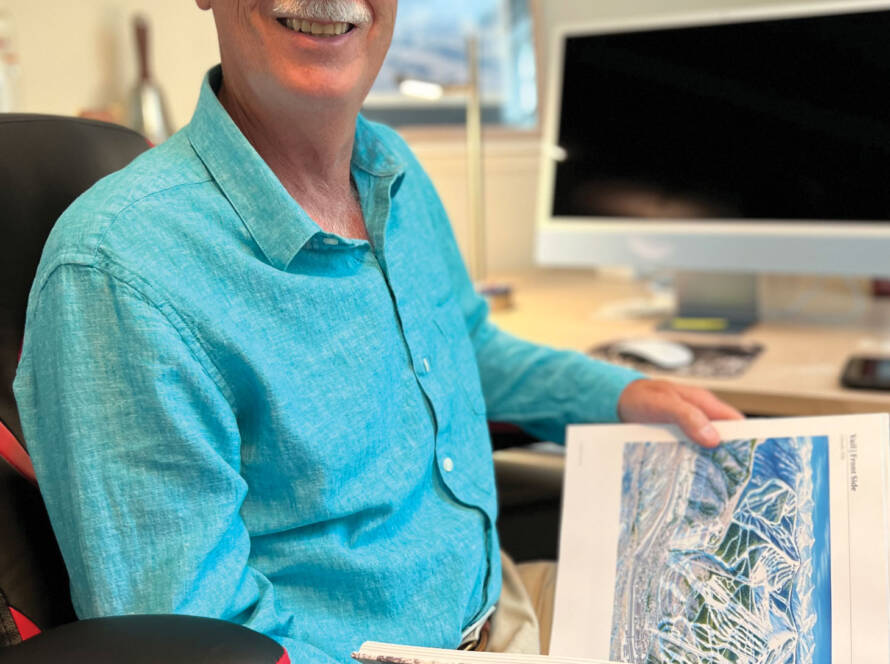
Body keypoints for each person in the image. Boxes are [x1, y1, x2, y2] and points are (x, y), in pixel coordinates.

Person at [13, 0, 743, 661]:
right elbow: (192, 638)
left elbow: (469, 347)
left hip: (505, 609)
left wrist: (626, 393)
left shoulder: (391, 166)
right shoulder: (119, 270)